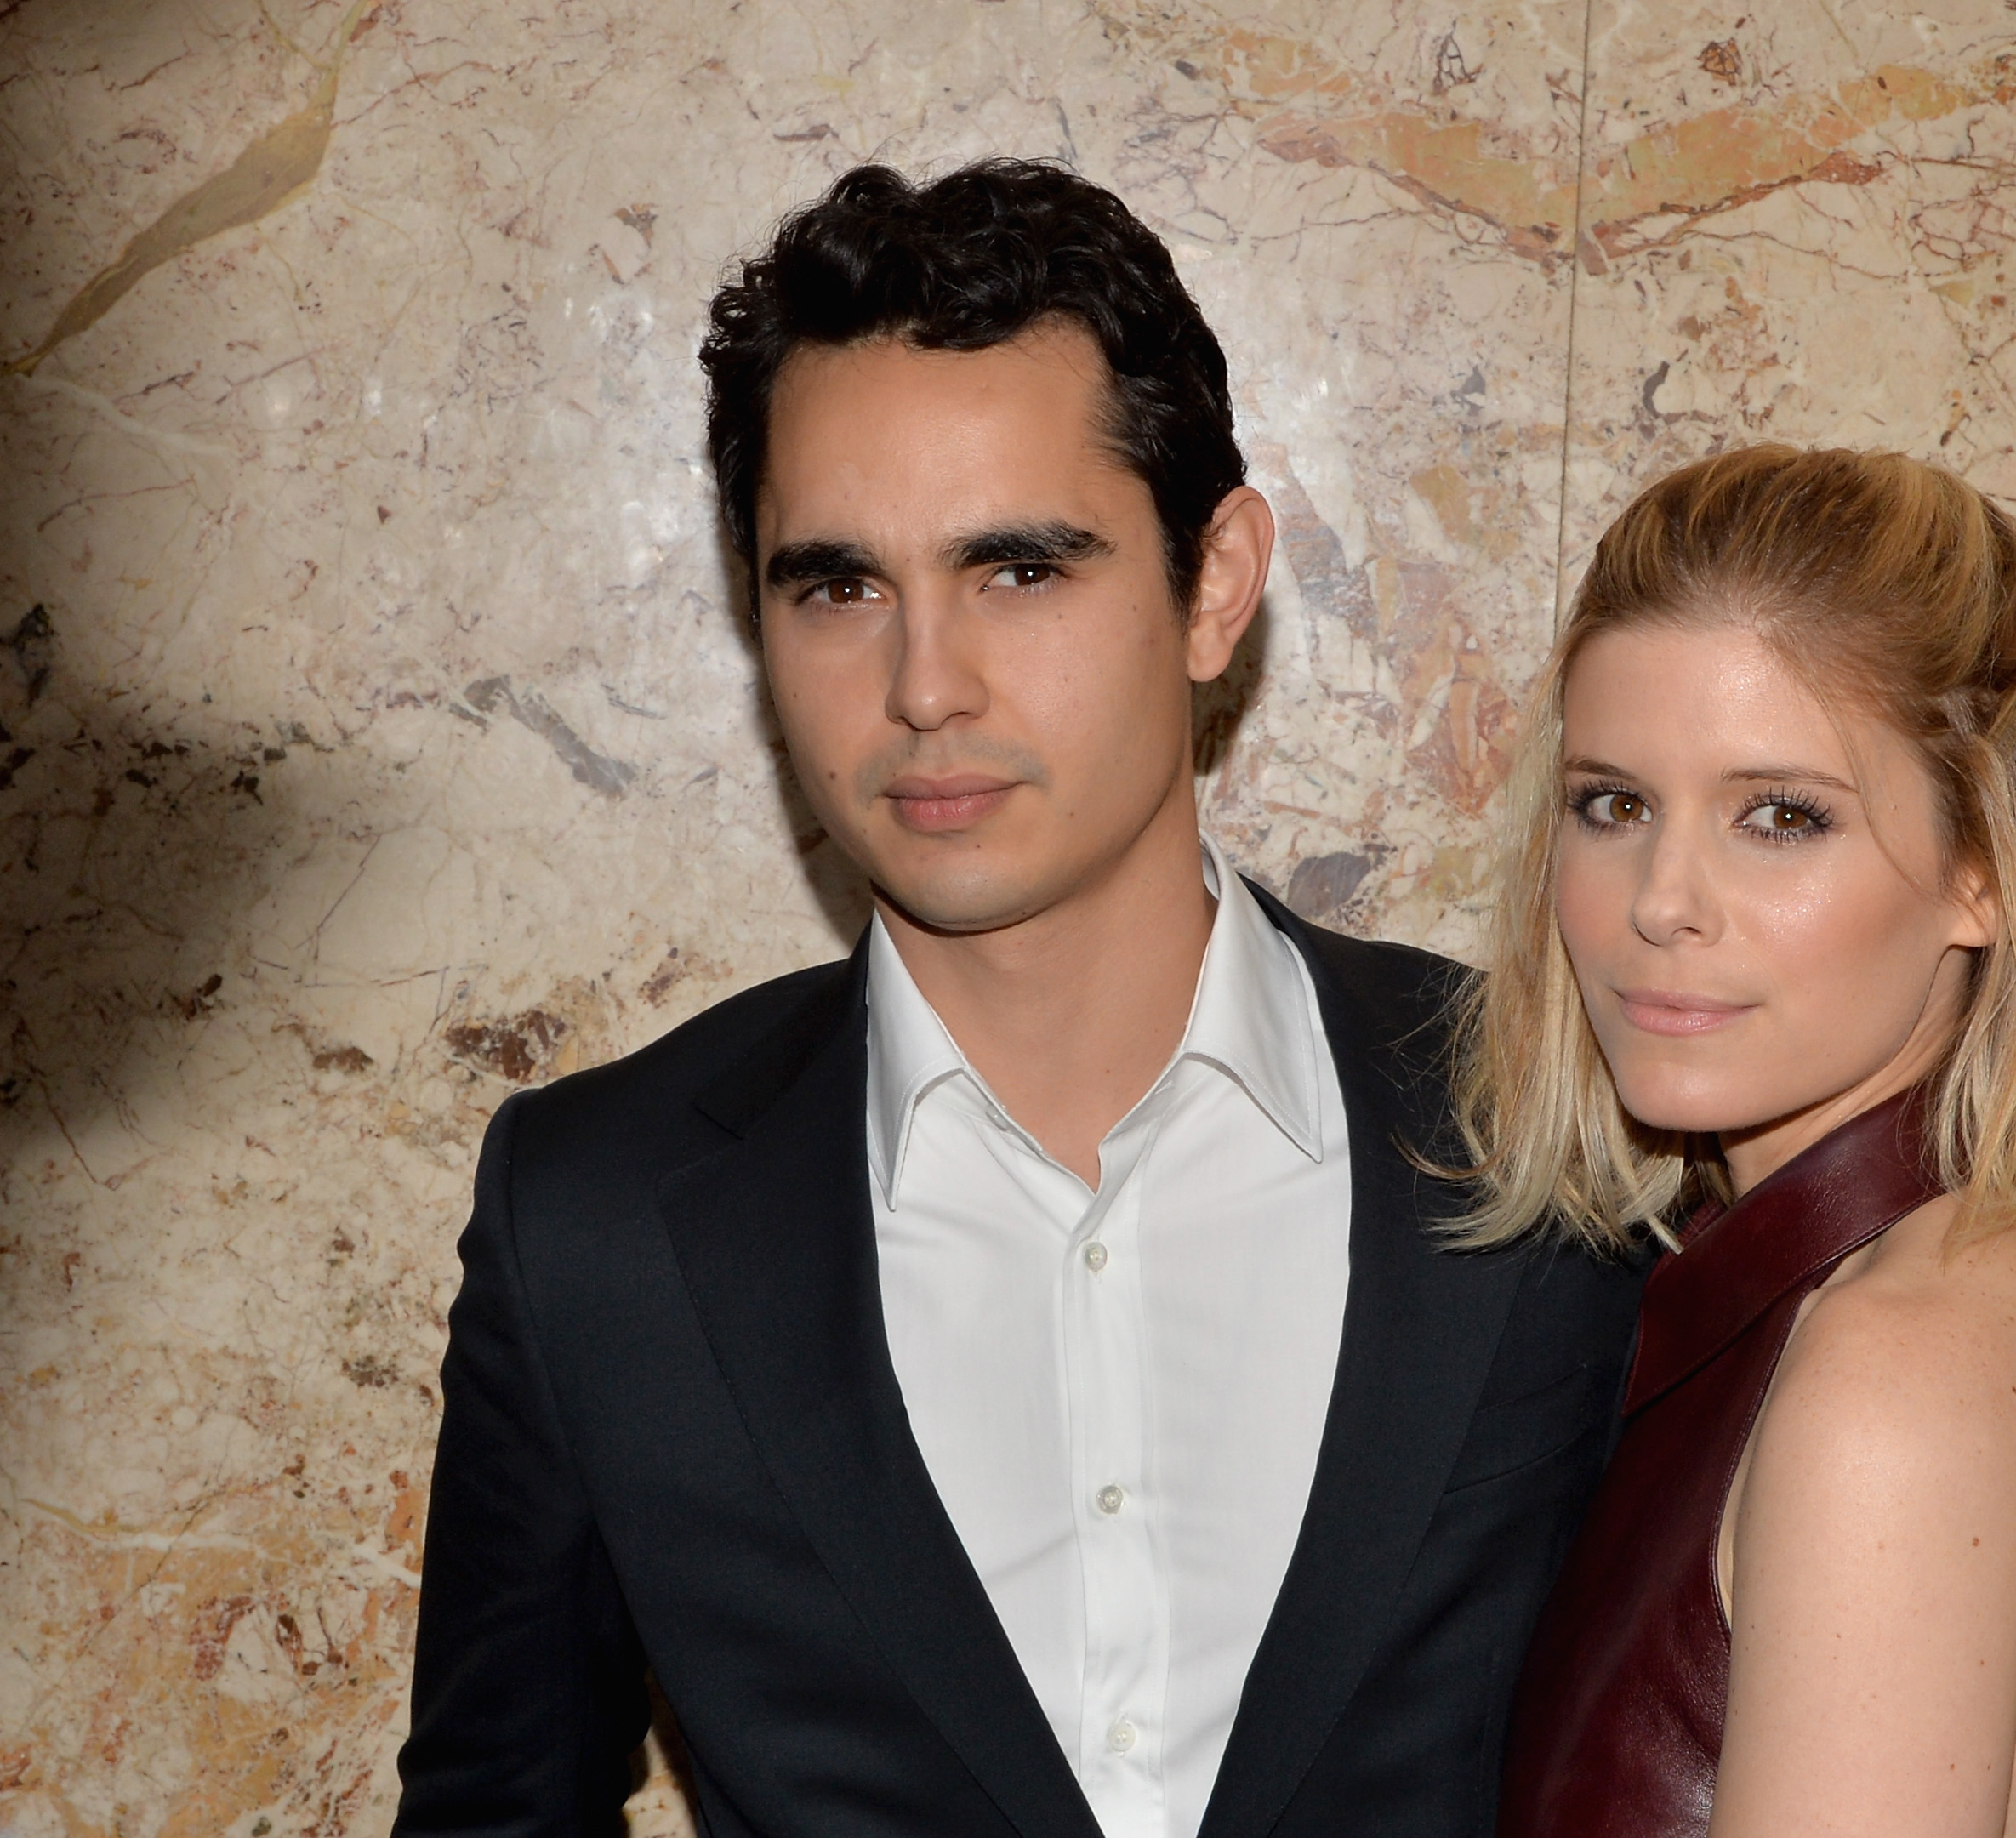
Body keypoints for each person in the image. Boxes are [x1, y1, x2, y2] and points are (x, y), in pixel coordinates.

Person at [393, 159, 1643, 1838]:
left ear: (1213, 586)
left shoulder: (1554, 1119)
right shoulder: (598, 1222)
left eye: (1020, 571)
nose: (923, 685)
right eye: (839, 585)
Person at [1471, 447, 2016, 1837]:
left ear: (1992, 867)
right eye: (1612, 803)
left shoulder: (1898, 1366)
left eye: (1780, 816)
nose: (1661, 900)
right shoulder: (1894, 1293)